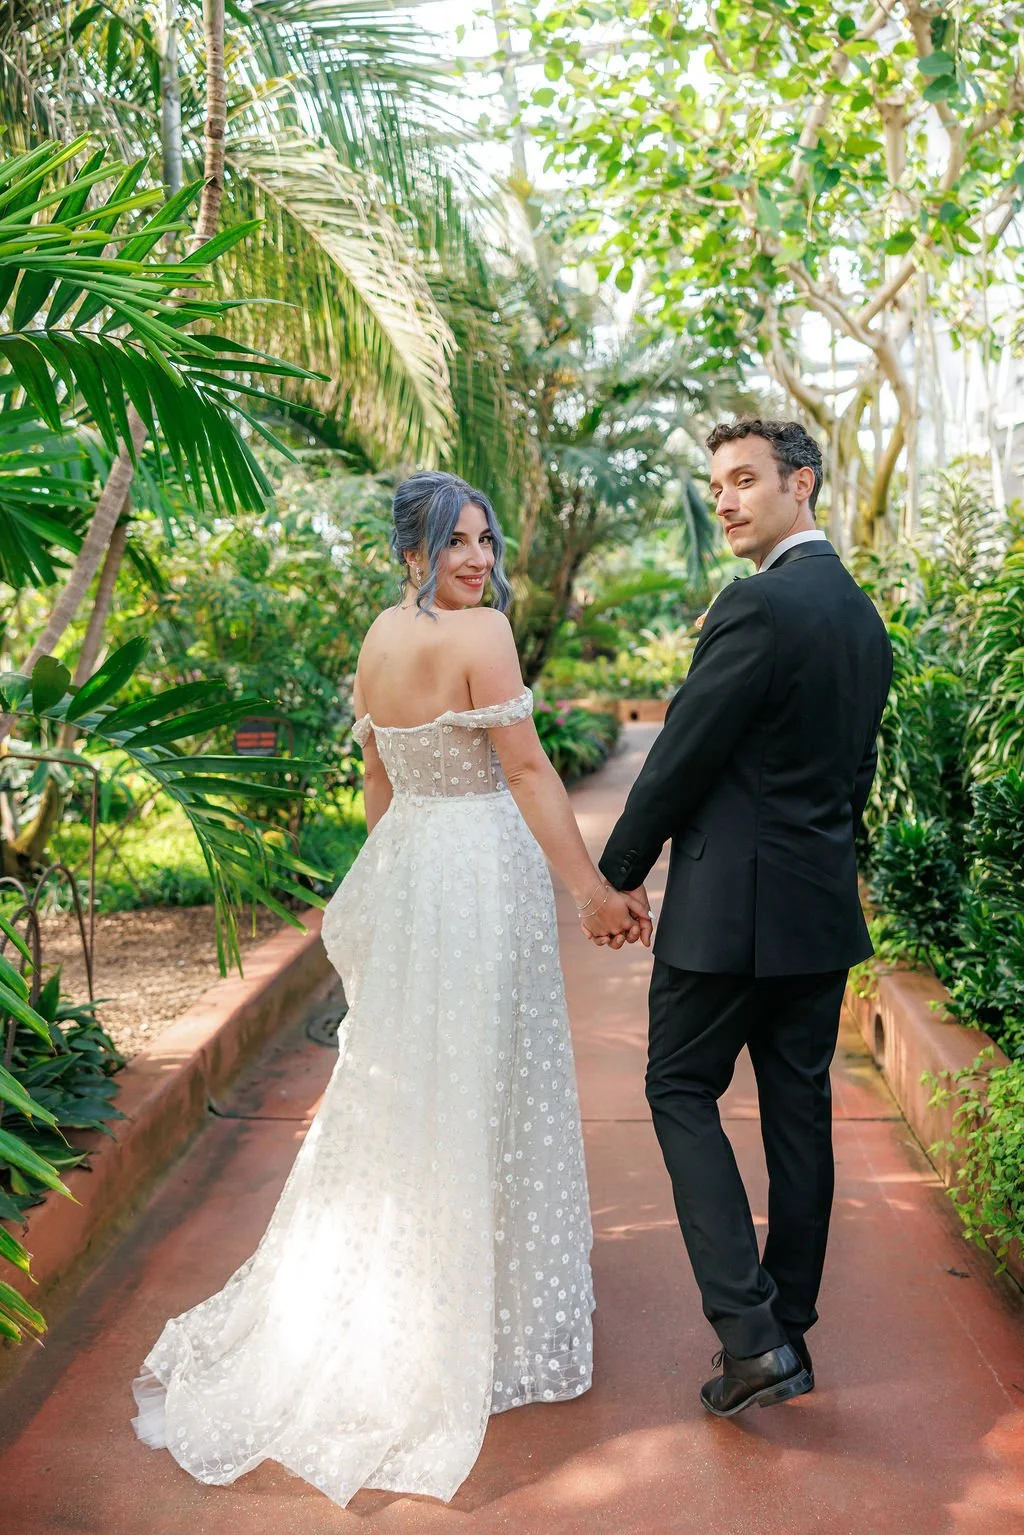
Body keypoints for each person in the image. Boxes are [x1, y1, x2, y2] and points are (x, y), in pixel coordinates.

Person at [131, 470, 650, 1506]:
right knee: (475, 1082)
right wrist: (591, 888)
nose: (477, 559)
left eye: (484, 540)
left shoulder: (377, 634)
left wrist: (397, 881)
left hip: (414, 871)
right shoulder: (482, 637)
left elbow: (377, 780)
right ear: (411, 550)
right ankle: (459, 1322)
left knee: (409, 1091)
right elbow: (529, 772)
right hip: (473, 879)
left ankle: (414, 1297)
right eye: (455, 542)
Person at [591, 418, 893, 1417]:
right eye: (716, 483)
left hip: (727, 909)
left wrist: (619, 868)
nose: (724, 499)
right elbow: (853, 779)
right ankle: (787, 1332)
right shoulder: (859, 616)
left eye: (744, 480)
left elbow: (682, 753)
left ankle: (751, 1333)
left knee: (679, 1086)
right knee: (798, 1111)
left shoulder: (756, 604)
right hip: (815, 908)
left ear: (799, 484)